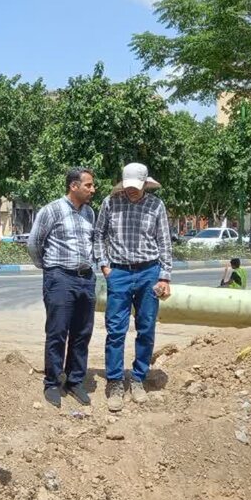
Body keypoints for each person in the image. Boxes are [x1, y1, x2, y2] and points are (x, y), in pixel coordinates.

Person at [94, 162, 173, 413]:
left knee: (146, 327)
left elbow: (164, 242)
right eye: (128, 187)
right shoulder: (110, 202)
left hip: (149, 272)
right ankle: (115, 382)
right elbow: (98, 235)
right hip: (119, 272)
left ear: (145, 184)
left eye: (136, 188)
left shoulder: (156, 205)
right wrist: (105, 266)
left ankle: (138, 378)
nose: (132, 191)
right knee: (116, 329)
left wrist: (165, 277)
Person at [27, 167, 98, 410]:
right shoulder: (51, 210)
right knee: (57, 332)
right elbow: (34, 243)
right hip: (60, 278)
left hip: (86, 278)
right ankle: (52, 382)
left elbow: (93, 242)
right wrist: (48, 269)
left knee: (82, 332)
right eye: (88, 185)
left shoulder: (89, 213)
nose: (92, 190)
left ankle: (75, 380)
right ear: (73, 186)